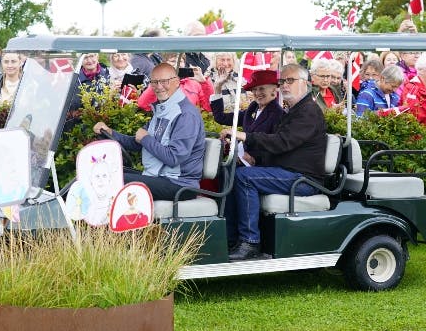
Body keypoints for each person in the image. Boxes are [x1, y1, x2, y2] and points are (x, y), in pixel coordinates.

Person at [222, 64, 326, 261]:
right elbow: (282, 147)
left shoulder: (308, 111)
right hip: (288, 171)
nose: (285, 85)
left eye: (290, 81)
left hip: (303, 179)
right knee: (231, 171)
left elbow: (282, 142)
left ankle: (250, 241)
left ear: (305, 83)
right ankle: (231, 237)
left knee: (244, 178)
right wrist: (255, 158)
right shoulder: (294, 110)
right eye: (282, 81)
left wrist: (246, 137)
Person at [93, 62, 206, 201]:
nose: (159, 87)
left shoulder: (186, 115)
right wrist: (110, 133)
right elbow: (137, 142)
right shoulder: (164, 110)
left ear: (177, 82)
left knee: (114, 180)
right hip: (159, 177)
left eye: (164, 81)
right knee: (103, 172)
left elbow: (174, 158)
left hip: (180, 185)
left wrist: (146, 139)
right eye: (154, 82)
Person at [211, 69, 284, 166]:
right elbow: (220, 117)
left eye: (261, 89)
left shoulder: (278, 114)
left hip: (258, 168)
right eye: (254, 89)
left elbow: (275, 145)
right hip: (239, 158)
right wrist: (217, 87)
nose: (257, 93)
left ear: (274, 91)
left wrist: (255, 160)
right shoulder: (252, 109)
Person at [137, 52, 213, 112]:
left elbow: (210, 107)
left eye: (181, 61)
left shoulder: (194, 83)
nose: (177, 64)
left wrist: (204, 82)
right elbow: (143, 105)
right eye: (173, 61)